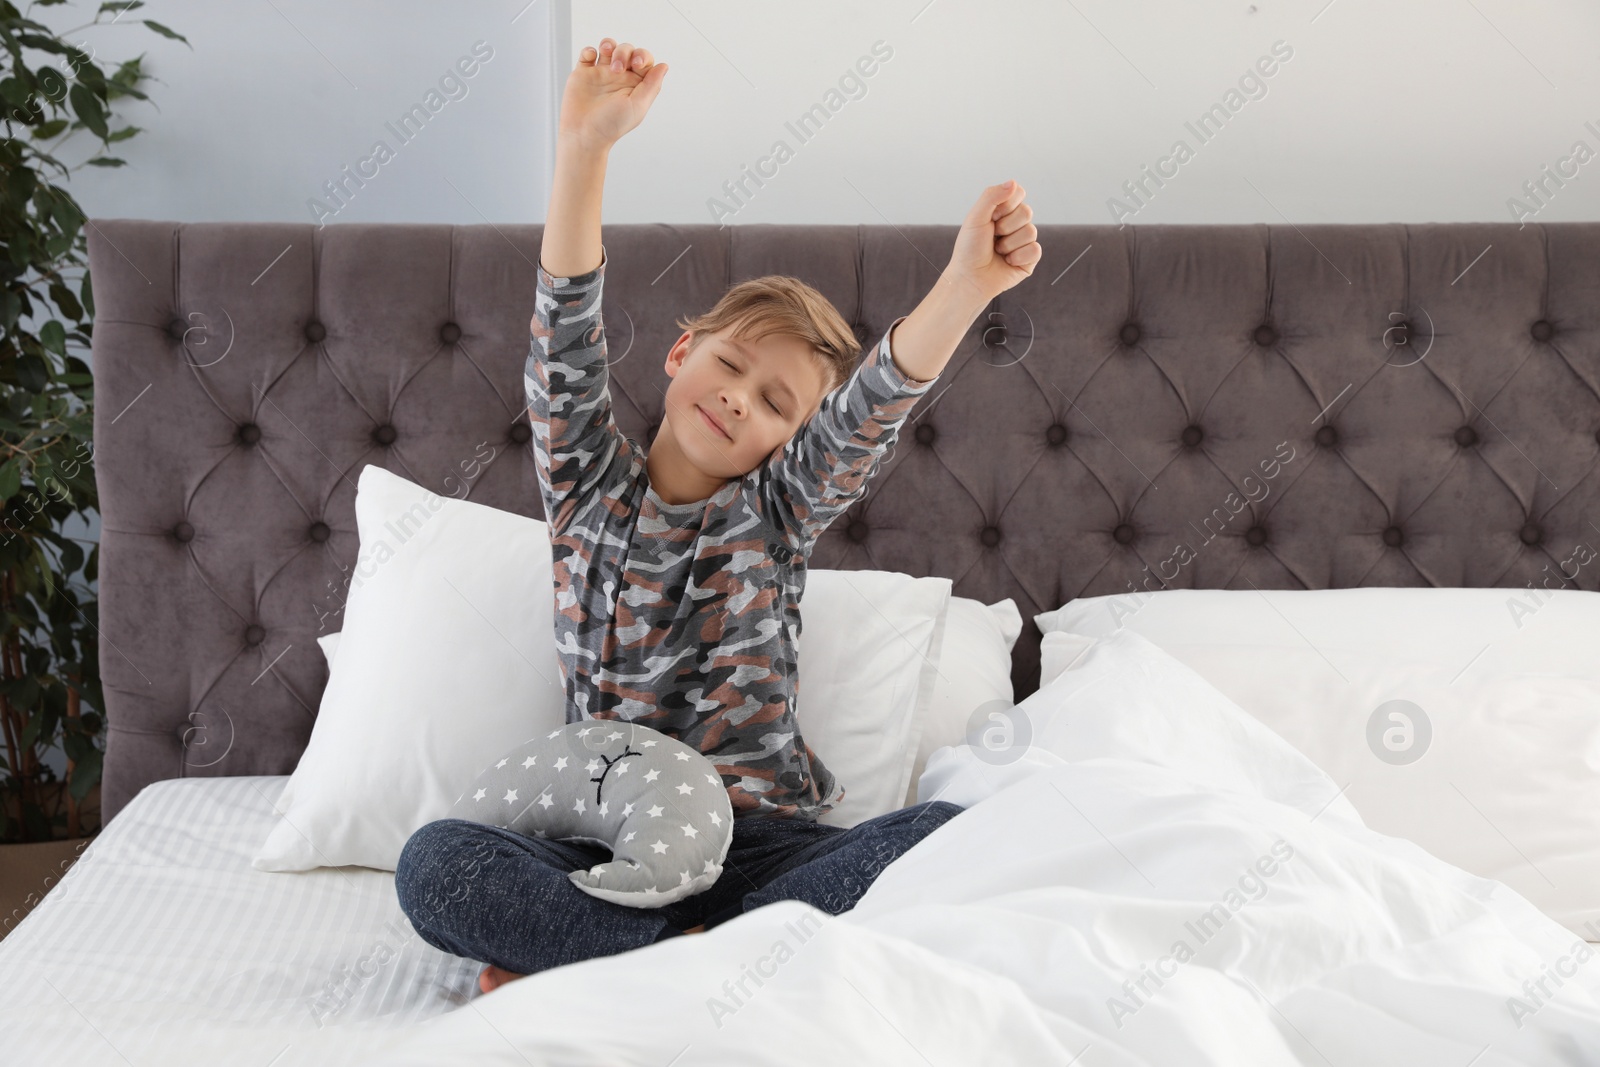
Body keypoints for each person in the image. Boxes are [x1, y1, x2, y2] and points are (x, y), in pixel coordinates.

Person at [395, 35, 1042, 996]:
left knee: (953, 830)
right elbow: (562, 335)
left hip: (761, 846)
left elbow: (870, 407)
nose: (742, 398)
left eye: (777, 404)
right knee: (435, 863)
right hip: (608, 853)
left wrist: (968, 286)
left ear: (791, 445)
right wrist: (586, 147)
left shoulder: (775, 514)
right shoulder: (584, 490)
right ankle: (702, 957)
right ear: (680, 353)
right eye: (731, 365)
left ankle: (647, 961)